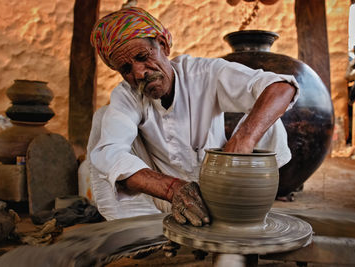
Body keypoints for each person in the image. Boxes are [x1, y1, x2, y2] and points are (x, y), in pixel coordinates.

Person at [89, 7, 299, 226]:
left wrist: (244, 138)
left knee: (266, 110)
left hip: (224, 184)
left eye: (143, 57)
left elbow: (281, 87)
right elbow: (110, 153)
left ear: (163, 44)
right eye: (126, 69)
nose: (139, 73)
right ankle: (142, 236)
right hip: (167, 196)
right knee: (102, 124)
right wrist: (172, 189)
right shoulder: (127, 96)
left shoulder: (204, 73)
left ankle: (247, 212)